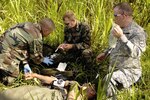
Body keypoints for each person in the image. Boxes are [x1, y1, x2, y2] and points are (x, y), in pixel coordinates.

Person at [96, 2, 147, 99]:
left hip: (129, 71)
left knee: (108, 80)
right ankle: (125, 91)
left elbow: (136, 53)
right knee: (97, 82)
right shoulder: (117, 28)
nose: (113, 18)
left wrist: (122, 37)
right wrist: (105, 53)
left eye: (115, 15)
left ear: (124, 16)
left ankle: (130, 90)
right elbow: (113, 46)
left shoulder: (138, 32)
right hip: (113, 69)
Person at [0, 18, 55, 84]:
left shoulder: (27, 24)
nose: (48, 35)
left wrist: (25, 62)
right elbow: (36, 58)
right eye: (49, 33)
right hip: (5, 54)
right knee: (15, 79)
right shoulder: (36, 36)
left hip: (2, 44)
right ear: (46, 30)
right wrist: (43, 60)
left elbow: (23, 45)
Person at [0, 73, 96, 100]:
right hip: (48, 94)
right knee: (8, 94)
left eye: (90, 85)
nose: (87, 84)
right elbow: (53, 81)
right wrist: (35, 75)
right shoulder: (74, 84)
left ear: (92, 93)